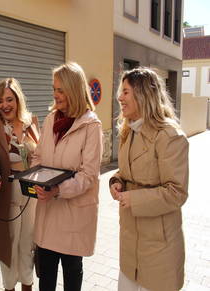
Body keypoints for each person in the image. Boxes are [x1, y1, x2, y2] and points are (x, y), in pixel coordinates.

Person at [109, 67, 189, 291]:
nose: (119, 97)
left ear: (143, 94)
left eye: (125, 92)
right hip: (130, 245)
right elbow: (125, 174)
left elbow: (177, 193)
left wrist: (133, 199)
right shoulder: (129, 130)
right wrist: (116, 182)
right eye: (120, 91)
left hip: (159, 249)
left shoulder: (169, 136)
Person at [31, 62, 103, 291]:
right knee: (47, 277)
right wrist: (34, 180)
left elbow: (89, 175)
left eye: (60, 90)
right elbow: (38, 156)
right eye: (54, 89)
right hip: (49, 213)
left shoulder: (92, 125)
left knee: (72, 275)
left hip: (74, 217)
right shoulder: (51, 119)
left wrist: (58, 190)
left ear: (74, 89)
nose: (56, 95)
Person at [0, 78, 40, 291]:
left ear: (18, 100)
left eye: (9, 99)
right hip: (7, 192)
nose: (5, 105)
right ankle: (9, 287)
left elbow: (41, 155)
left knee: (27, 244)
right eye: (0, 101)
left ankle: (27, 285)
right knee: (9, 246)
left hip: (31, 190)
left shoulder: (31, 123)